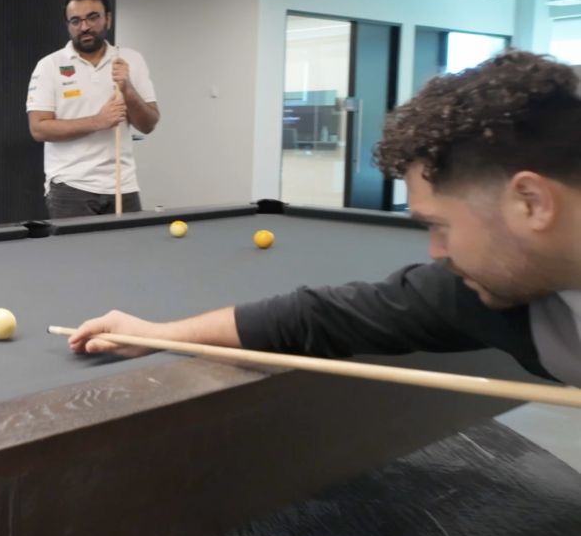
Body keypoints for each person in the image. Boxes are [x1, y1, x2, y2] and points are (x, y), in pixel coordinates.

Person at [68, 50, 581, 387]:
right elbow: (315, 316)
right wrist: (158, 334)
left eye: (439, 225)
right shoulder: (474, 296)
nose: (435, 252)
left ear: (532, 202)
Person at [27, 0, 160, 219]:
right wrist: (98, 121)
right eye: (75, 21)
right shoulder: (49, 65)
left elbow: (148, 124)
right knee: (78, 256)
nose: (85, 26)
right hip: (71, 187)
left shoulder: (131, 60)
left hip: (123, 186)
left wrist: (127, 89)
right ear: (68, 25)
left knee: (128, 255)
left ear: (107, 18)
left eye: (93, 17)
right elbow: (39, 129)